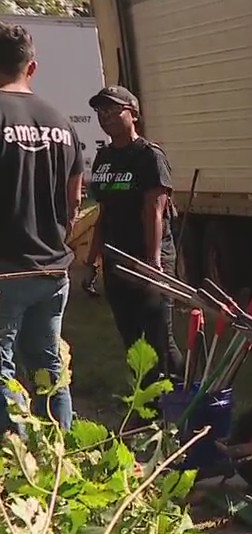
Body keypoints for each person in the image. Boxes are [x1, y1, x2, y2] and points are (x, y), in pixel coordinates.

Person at [0, 21, 83, 434]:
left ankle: (15, 457)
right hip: (52, 269)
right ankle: (59, 451)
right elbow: (75, 200)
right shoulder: (62, 122)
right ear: (31, 67)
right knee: (49, 366)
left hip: (5, 269)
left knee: (2, 368)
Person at [83, 85, 184, 390]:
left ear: (134, 114)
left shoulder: (148, 156)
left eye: (114, 110)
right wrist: (91, 262)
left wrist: (154, 264)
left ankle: (181, 396)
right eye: (101, 111)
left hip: (147, 261)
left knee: (159, 340)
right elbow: (103, 214)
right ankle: (144, 400)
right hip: (116, 261)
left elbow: (154, 211)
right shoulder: (103, 158)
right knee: (131, 339)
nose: (106, 116)